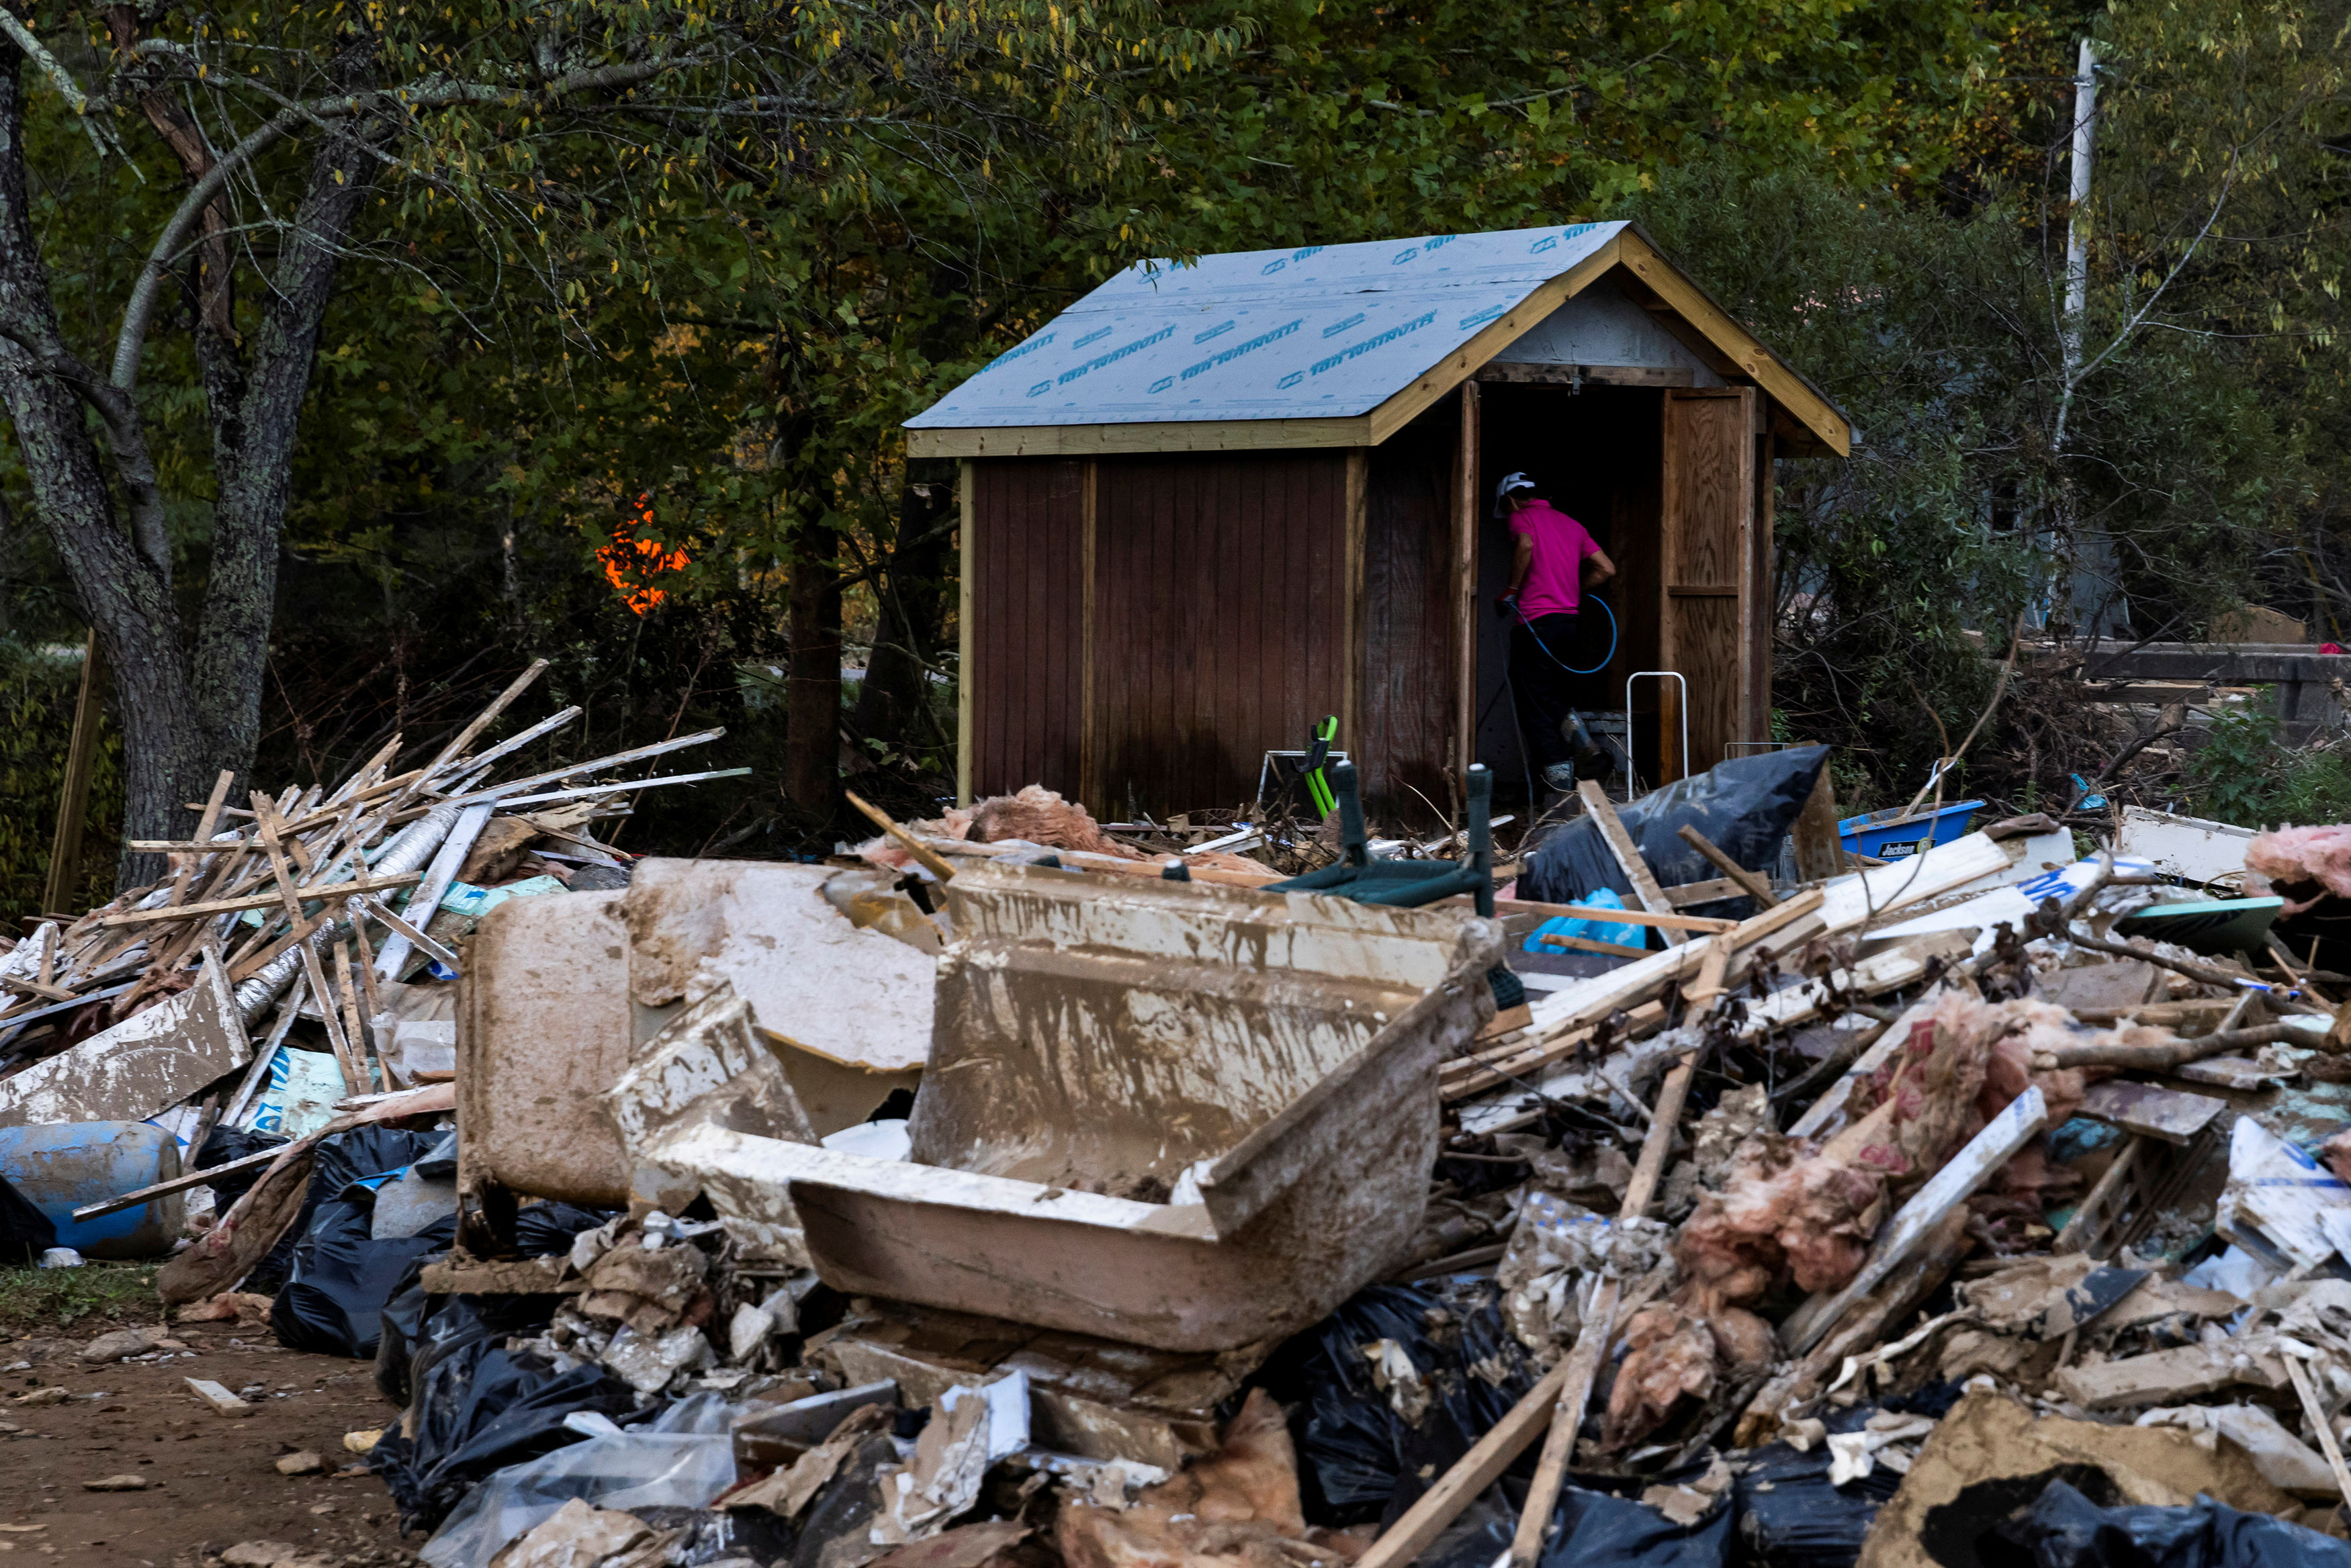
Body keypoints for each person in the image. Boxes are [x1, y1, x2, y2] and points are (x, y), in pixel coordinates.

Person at [1494, 472, 1617, 793]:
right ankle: (1584, 743)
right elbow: (1606, 568)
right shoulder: (1572, 524)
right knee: (1555, 696)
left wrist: (1511, 590)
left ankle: (1559, 791)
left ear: (1510, 500)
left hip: (1536, 624)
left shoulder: (1520, 518)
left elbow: (1525, 544)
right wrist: (1574, 593)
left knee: (1533, 704)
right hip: (1568, 627)